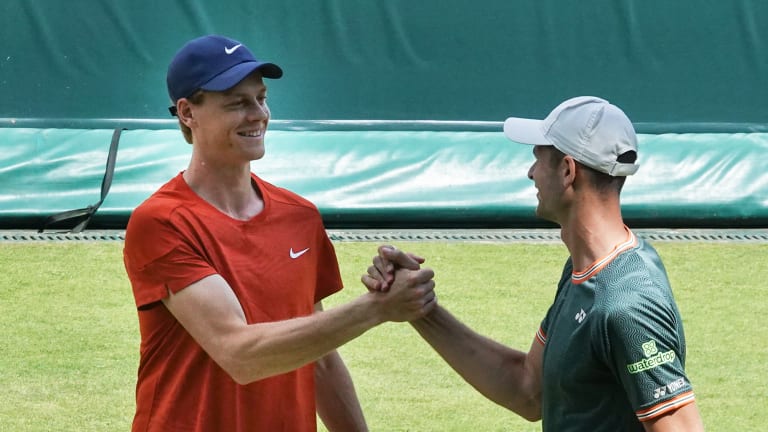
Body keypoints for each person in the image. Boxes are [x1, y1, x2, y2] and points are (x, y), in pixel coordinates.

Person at [122, 34, 436, 432]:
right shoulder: (162, 222)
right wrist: (376, 308)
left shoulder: (300, 216)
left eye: (261, 98)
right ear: (187, 113)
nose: (258, 114)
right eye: (237, 102)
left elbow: (319, 357)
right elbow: (239, 353)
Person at [364, 96, 705, 431]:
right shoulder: (584, 270)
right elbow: (528, 390)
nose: (531, 173)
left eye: (539, 159)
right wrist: (420, 308)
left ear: (568, 170)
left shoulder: (627, 306)